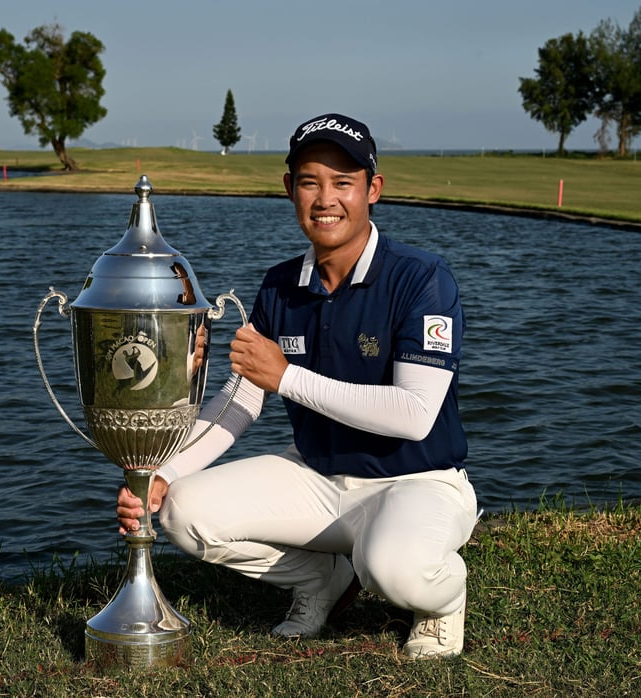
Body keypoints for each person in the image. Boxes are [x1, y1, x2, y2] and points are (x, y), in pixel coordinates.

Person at [117, 113, 478, 659]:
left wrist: (286, 376)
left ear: (373, 190)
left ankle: (441, 603)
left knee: (394, 568)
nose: (325, 199)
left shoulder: (422, 278)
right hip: (318, 477)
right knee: (183, 511)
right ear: (289, 189)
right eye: (310, 181)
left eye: (343, 183)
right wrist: (163, 474)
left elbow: (414, 414)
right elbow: (241, 401)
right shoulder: (281, 285)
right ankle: (318, 581)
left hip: (418, 480)